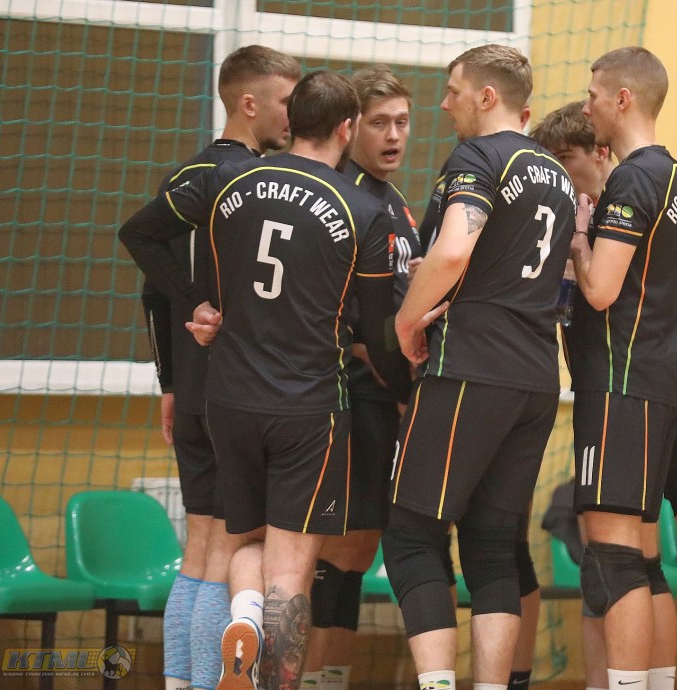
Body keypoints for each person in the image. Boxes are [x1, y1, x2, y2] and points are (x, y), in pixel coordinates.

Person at [119, 69, 438, 690]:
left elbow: (140, 234)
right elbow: (376, 332)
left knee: (243, 543)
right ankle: (272, 673)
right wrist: (406, 389)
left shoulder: (227, 179)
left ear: (292, 122)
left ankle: (242, 617)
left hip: (228, 399)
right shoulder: (364, 209)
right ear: (347, 128)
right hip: (309, 407)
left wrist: (197, 302)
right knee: (291, 568)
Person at [533, 100, 677, 690]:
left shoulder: (632, 195)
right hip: (647, 392)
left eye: (564, 160)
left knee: (672, 559)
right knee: (632, 560)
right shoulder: (641, 193)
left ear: (599, 151)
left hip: (650, 389)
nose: (558, 175)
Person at [381, 44, 575, 690]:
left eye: (454, 90)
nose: (445, 105)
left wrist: (407, 320)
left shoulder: (479, 156)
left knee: (412, 537)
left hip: (471, 368)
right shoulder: (556, 174)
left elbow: (454, 252)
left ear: (487, 97)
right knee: (493, 545)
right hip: (537, 378)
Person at [128, 44, 301, 690]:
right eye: (285, 102)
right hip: (235, 392)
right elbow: (143, 245)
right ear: (248, 103)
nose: (293, 115)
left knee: (199, 551)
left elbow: (154, 292)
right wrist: (203, 306)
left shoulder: (186, 175)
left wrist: (170, 382)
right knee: (231, 551)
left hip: (192, 388)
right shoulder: (251, 184)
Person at [564, 46, 677, 690]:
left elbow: (599, 291)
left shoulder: (633, 178)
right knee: (642, 561)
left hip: (621, 384)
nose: (586, 104)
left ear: (622, 99)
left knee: (613, 558)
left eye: (593, 94)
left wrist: (577, 240)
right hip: (659, 384)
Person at [300, 64, 422, 690]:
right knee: (333, 553)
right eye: (379, 123)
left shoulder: (395, 202)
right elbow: (349, 320)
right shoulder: (343, 197)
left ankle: (330, 679)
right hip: (349, 397)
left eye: (402, 122)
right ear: (350, 129)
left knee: (358, 550)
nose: (394, 135)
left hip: (386, 396)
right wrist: (398, 383)